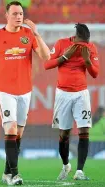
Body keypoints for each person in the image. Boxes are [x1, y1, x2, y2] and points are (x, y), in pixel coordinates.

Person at [0, 1, 50, 185]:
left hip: (25, 92)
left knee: (18, 135)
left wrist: (37, 33)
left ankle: (7, 172)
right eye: (14, 14)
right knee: (11, 129)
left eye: (21, 13)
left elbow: (46, 57)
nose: (19, 17)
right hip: (5, 92)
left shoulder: (29, 35)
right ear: (6, 16)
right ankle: (15, 175)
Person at [44, 23, 99, 180]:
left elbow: (95, 73)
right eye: (82, 43)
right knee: (64, 133)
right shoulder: (62, 44)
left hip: (81, 94)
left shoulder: (90, 47)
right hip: (63, 95)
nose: (85, 46)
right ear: (76, 38)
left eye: (87, 43)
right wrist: (65, 57)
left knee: (84, 131)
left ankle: (80, 171)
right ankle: (66, 164)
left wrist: (87, 61)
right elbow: (47, 64)